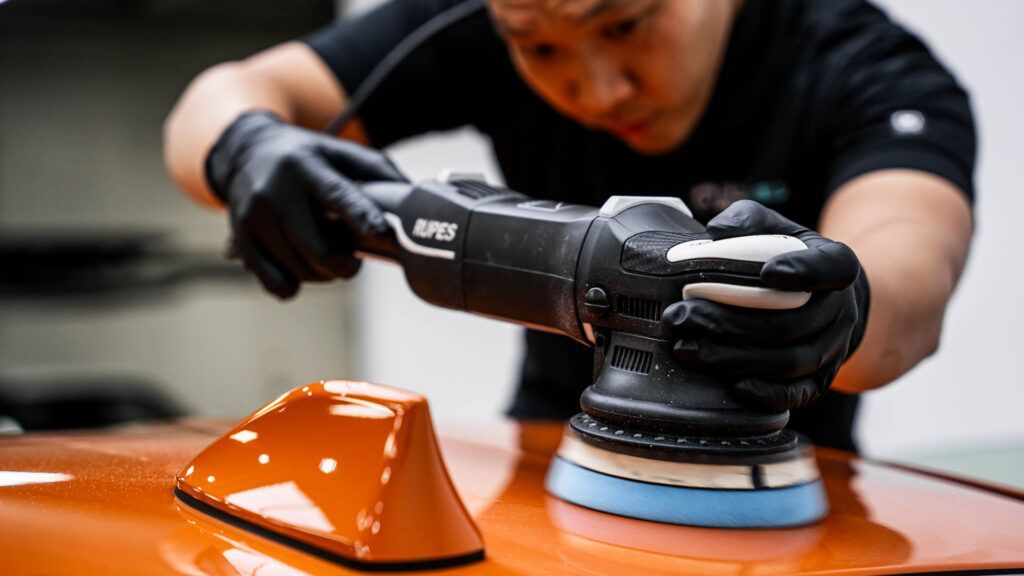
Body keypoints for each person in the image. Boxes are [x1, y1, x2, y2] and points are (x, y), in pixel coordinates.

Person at [163, 0, 975, 451]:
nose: (598, 89)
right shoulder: (479, 19)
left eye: (625, 26)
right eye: (537, 49)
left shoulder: (861, 65)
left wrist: (845, 308)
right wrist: (247, 146)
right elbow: (220, 99)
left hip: (787, 486)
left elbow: (910, 277)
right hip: (551, 457)